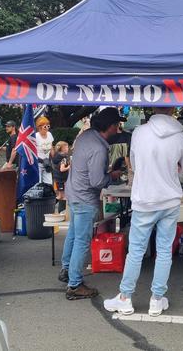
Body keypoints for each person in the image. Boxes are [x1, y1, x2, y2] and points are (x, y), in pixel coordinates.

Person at [104, 107, 183, 316]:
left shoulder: (140, 133)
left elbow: (134, 163)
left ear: (152, 109)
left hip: (144, 199)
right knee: (163, 251)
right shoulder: (182, 137)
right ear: (173, 110)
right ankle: (157, 299)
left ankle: (125, 297)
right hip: (170, 199)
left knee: (135, 251)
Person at [60, 108, 125, 300]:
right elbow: (97, 181)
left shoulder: (85, 135)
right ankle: (74, 284)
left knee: (73, 234)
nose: (119, 127)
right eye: (118, 124)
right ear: (112, 126)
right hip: (85, 197)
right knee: (82, 240)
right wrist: (111, 175)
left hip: (73, 192)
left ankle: (66, 270)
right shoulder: (99, 148)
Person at [35, 116, 55, 184]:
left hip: (47, 163)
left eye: (48, 126)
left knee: (49, 183)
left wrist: (55, 159)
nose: (47, 128)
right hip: (38, 163)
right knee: (39, 183)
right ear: (39, 127)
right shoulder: (36, 136)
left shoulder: (49, 134)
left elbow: (51, 148)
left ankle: (48, 194)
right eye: (45, 126)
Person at [52, 141, 71, 212]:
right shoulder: (64, 158)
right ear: (62, 148)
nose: (67, 148)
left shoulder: (56, 156)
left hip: (57, 178)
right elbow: (62, 169)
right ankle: (61, 211)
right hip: (62, 179)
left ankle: (53, 206)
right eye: (66, 147)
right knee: (62, 196)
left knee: (61, 196)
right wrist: (69, 167)